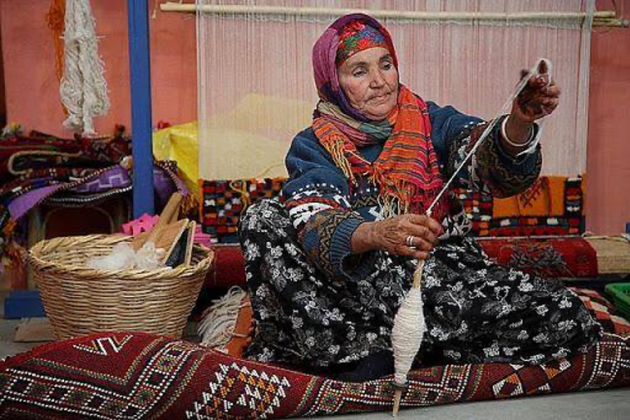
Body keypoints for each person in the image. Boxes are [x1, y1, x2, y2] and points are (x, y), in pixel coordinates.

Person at [238, 13, 601, 380]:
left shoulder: (431, 121)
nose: (380, 82)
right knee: (263, 217)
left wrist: (519, 122)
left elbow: (484, 161)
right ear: (333, 83)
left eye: (386, 64)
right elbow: (315, 220)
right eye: (359, 71)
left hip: (437, 277)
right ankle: (361, 352)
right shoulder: (315, 144)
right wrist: (377, 234)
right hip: (356, 290)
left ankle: (406, 347)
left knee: (564, 313)